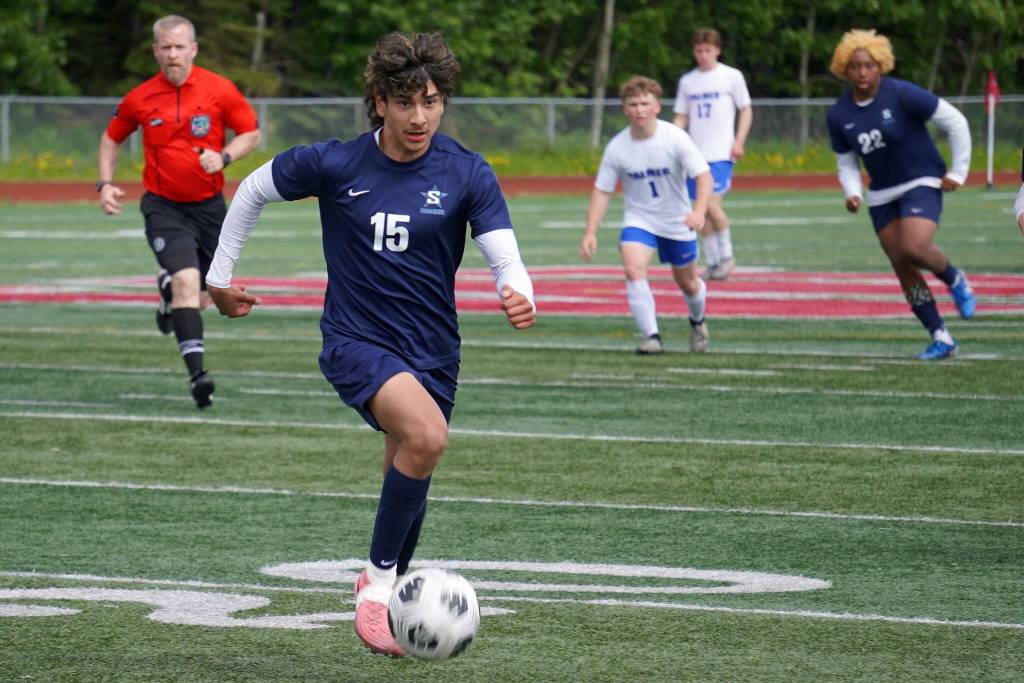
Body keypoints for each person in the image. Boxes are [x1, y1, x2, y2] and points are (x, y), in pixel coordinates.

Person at [204, 32, 535, 656]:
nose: (420, 117)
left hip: (435, 349)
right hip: (356, 341)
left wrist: (518, 290)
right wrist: (218, 279)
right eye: (406, 102)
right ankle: (379, 588)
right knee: (428, 437)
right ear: (378, 102)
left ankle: (384, 579)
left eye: (432, 102)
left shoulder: (466, 170)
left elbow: (502, 250)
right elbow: (250, 190)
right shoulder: (335, 163)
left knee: (412, 464)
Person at [97, 15, 261, 408]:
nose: (172, 54)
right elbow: (111, 137)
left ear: (193, 49)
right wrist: (104, 183)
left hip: (210, 208)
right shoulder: (139, 97)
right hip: (163, 207)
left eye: (179, 47)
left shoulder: (219, 89)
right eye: (165, 47)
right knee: (189, 280)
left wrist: (223, 157)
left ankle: (167, 293)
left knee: (205, 293)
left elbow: (251, 134)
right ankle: (198, 376)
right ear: (156, 51)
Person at [825, 29, 976, 360]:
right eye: (855, 66)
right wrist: (852, 192)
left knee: (914, 247)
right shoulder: (838, 114)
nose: (863, 72)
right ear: (843, 70)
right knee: (902, 265)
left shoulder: (903, 94)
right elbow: (847, 162)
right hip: (881, 195)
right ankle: (941, 336)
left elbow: (956, 122)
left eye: (869, 65)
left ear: (881, 65)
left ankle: (955, 278)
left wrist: (958, 171)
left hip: (921, 179)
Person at [580, 75, 712, 355]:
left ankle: (698, 322)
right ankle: (652, 336)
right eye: (633, 104)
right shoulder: (617, 147)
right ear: (625, 109)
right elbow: (602, 190)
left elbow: (703, 176)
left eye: (644, 103)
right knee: (633, 268)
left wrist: (699, 211)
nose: (639, 109)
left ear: (656, 106)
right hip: (640, 220)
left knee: (687, 283)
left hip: (678, 220)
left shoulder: (675, 137)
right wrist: (591, 231)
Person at [672, 27, 752, 281]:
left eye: (707, 50)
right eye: (698, 50)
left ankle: (727, 256)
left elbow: (746, 110)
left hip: (720, 152)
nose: (703, 55)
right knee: (700, 208)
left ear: (717, 50)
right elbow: (682, 115)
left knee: (711, 205)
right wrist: (669, 139)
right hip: (695, 154)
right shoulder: (688, 81)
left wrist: (738, 141)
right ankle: (714, 260)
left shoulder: (731, 76)